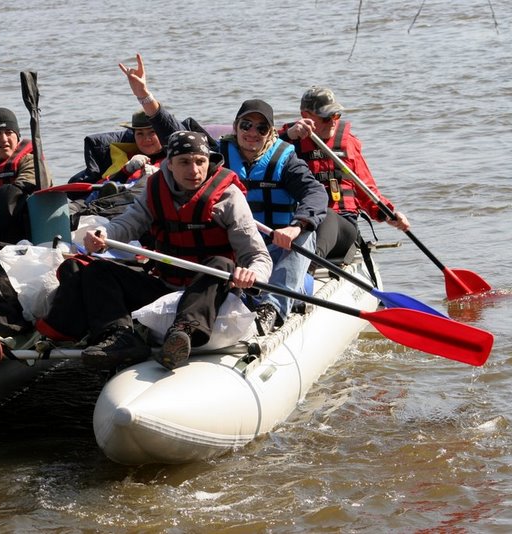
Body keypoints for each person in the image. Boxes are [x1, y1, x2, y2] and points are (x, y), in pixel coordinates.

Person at [118, 53, 328, 334]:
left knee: (305, 234)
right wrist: (144, 95)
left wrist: (295, 226)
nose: (252, 133)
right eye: (246, 125)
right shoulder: (215, 154)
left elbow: (315, 193)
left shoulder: (287, 161)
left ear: (270, 134)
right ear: (236, 127)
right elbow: (173, 132)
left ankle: (271, 309)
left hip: (276, 245)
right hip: (235, 248)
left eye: (261, 128)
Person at [36, 131, 272, 371]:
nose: (194, 170)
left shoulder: (229, 197)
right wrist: (104, 234)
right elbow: (128, 223)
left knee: (222, 263)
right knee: (96, 270)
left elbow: (259, 256)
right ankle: (120, 335)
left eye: (200, 162)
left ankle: (181, 334)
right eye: (184, 162)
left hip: (211, 293)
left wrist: (253, 275)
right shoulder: (155, 188)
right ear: (170, 163)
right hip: (166, 286)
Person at [278, 86, 410, 262]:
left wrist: (389, 214)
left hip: (343, 227)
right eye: (326, 118)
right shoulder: (285, 142)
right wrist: (286, 136)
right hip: (301, 225)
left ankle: (306, 267)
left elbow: (367, 189)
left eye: (336, 116)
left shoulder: (348, 144)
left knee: (328, 215)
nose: (333, 122)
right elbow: (255, 152)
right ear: (305, 116)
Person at [0, 107, 52, 244]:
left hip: (23, 233)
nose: (4, 139)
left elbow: (21, 188)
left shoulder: (31, 161)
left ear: (17, 137)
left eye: (9, 132)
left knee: (11, 192)